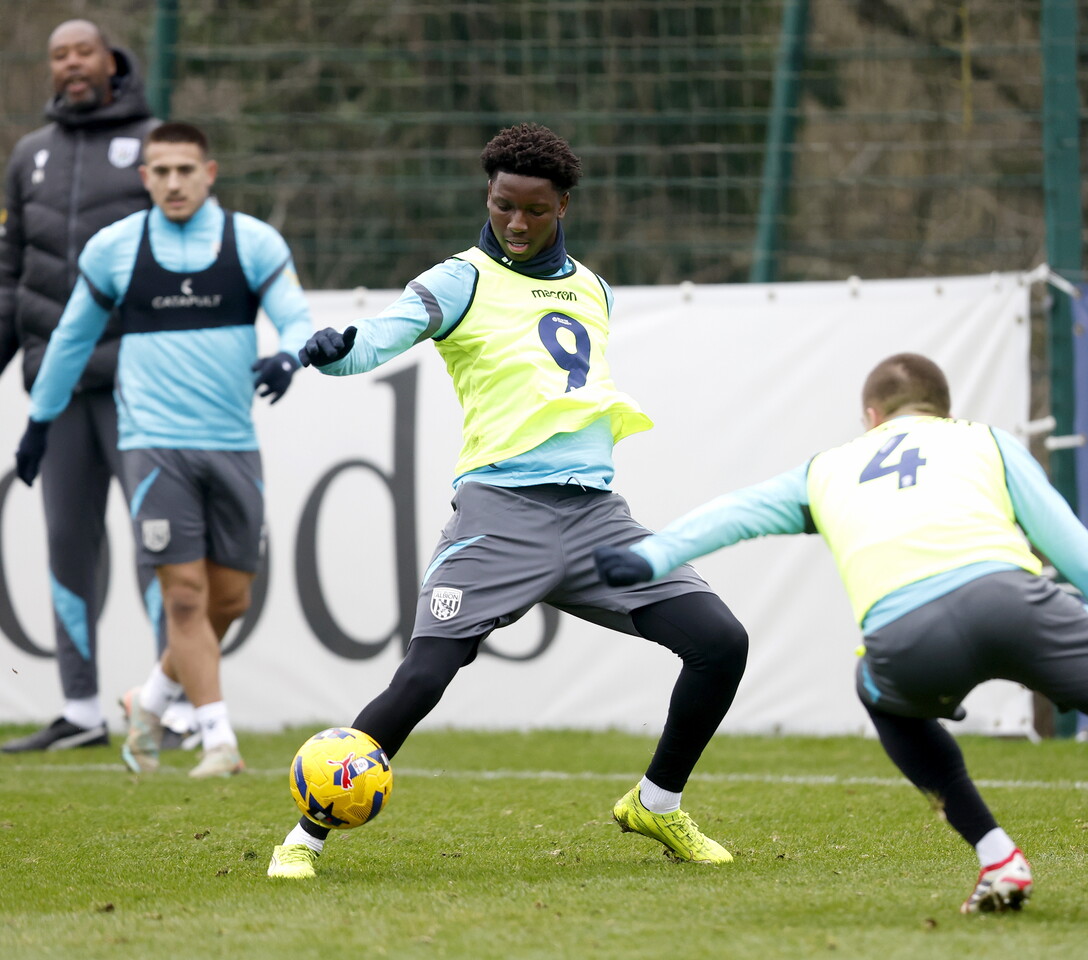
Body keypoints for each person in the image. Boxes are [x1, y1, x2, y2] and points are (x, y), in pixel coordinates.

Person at [594, 352, 1088, 919]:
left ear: (871, 417)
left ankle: (995, 854)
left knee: (878, 692)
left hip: (905, 638)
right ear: (942, 412)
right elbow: (1085, 559)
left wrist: (651, 558)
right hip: (1016, 605)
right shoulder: (983, 442)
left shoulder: (828, 467)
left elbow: (732, 514)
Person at [265, 122, 748, 879]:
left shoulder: (593, 288)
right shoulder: (459, 279)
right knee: (424, 678)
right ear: (486, 197)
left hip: (594, 516)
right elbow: (380, 337)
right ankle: (303, 838)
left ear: (564, 207)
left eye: (534, 210)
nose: (516, 224)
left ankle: (655, 805)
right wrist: (334, 350)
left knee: (721, 642)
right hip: (500, 518)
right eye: (501, 207)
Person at [12, 121, 313, 778]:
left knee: (227, 600)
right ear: (144, 178)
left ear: (210, 172)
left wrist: (292, 353)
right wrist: (40, 421)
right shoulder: (115, 250)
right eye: (161, 172)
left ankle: (147, 701)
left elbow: (295, 313)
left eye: (185, 170)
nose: (173, 183)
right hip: (152, 447)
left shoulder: (252, 242)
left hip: (233, 445)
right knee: (182, 595)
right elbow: (67, 342)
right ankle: (217, 740)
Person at [0, 20, 168, 753]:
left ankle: (179, 703)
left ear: (110, 61)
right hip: (57, 387)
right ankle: (79, 711)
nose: (71, 64)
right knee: (68, 542)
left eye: (83, 53)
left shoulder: (158, 142)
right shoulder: (29, 155)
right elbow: (12, 275)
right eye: (59, 54)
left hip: (139, 382)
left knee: (157, 542)